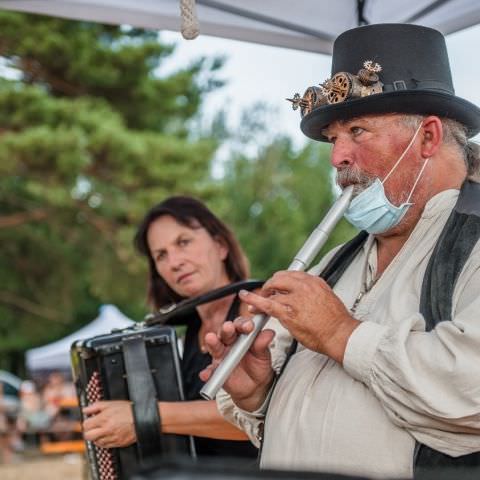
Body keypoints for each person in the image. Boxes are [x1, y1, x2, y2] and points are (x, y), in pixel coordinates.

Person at [201, 24, 480, 479]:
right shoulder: (335, 263)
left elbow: (471, 392)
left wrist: (339, 333)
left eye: (358, 130)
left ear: (428, 137)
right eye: (334, 139)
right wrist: (257, 392)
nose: (338, 158)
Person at [82, 196, 258, 459]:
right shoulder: (187, 328)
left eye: (183, 242)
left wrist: (144, 417)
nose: (174, 262)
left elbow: (260, 417)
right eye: (161, 255)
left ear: (220, 246)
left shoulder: (253, 305)